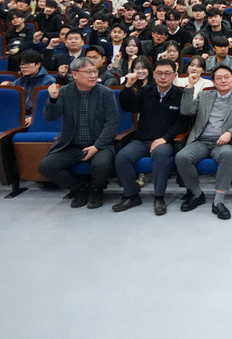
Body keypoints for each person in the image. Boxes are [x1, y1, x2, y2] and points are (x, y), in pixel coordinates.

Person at [37, 57, 119, 209]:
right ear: (75, 75)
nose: (93, 75)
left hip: (99, 144)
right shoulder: (64, 92)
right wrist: (53, 100)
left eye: (95, 71)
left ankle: (96, 191)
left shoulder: (105, 93)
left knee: (102, 164)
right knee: (46, 166)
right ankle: (79, 188)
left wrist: (97, 146)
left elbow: (112, 124)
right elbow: (50, 117)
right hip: (71, 144)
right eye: (88, 72)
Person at [176, 65, 232, 220]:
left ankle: (218, 201)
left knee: (227, 154)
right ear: (213, 82)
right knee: (182, 157)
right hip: (201, 140)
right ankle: (197, 194)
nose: (223, 81)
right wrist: (191, 86)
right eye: (218, 78)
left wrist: (230, 133)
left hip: (223, 142)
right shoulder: (204, 96)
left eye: (227, 77)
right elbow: (186, 111)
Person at [111, 59, 188, 215]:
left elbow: (182, 123)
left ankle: (159, 197)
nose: (163, 77)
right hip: (142, 139)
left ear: (174, 75)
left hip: (165, 141)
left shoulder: (180, 95)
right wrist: (128, 87)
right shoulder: (146, 91)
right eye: (159, 73)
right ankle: (131, 195)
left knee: (160, 155)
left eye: (167, 73)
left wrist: (165, 138)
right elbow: (129, 107)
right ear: (154, 74)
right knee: (122, 157)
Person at [0, 49, 56, 125]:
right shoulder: (18, 81)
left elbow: (51, 107)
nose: (23, 67)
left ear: (38, 65)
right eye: (22, 64)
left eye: (27, 64)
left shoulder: (49, 82)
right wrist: (4, 88)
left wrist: (35, 117)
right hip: (18, 118)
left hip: (38, 118)